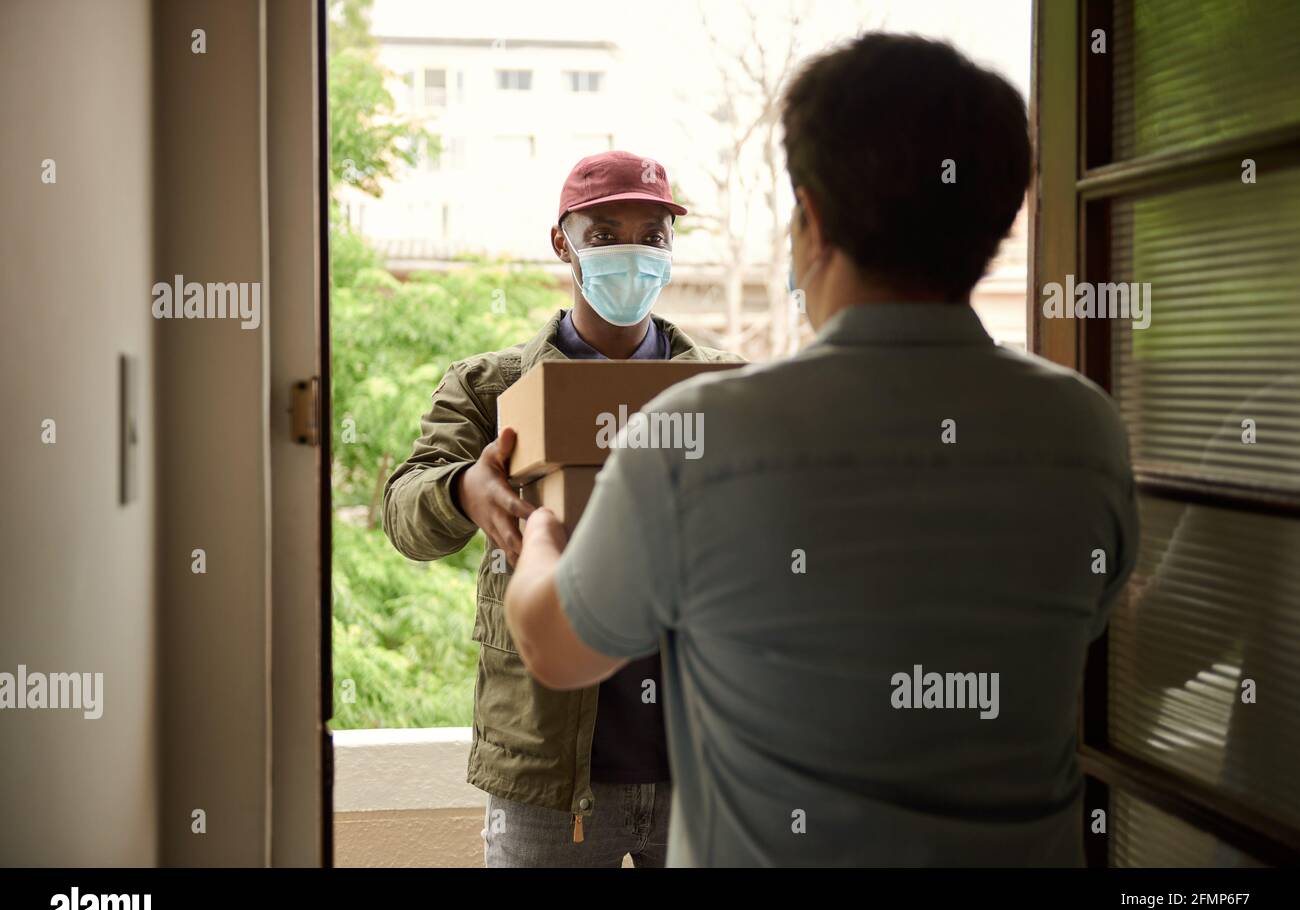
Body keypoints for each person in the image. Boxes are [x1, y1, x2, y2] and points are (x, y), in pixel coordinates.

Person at [504, 33, 1139, 866]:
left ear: (811, 215)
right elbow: (1113, 638)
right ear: (1000, 219)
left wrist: (542, 533)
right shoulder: (1082, 428)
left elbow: (556, 646)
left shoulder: (696, 435)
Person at [382, 150, 742, 867]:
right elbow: (404, 509)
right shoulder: (492, 387)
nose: (631, 252)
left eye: (652, 235)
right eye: (604, 233)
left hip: (701, 767)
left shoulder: (722, 388)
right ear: (562, 242)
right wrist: (464, 488)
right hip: (549, 777)